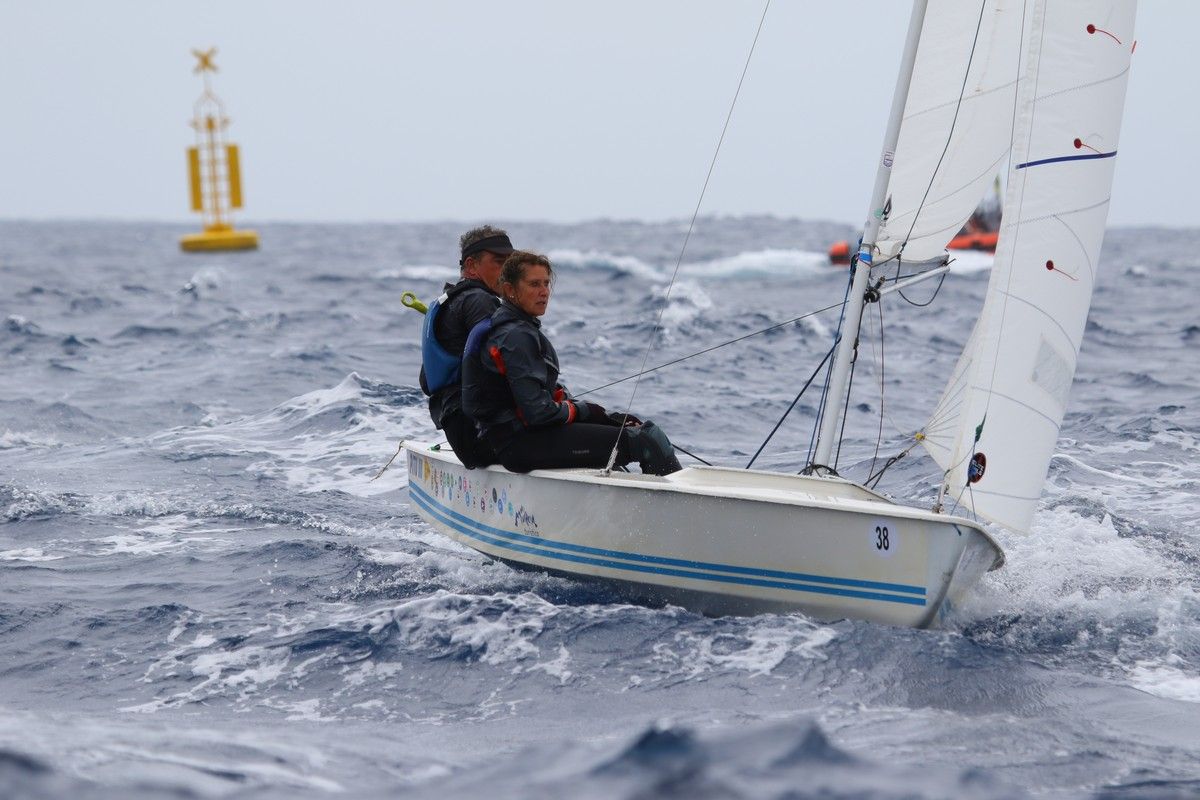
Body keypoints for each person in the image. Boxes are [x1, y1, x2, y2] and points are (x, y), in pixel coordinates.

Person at [462, 251, 682, 475]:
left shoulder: (514, 327)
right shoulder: (515, 335)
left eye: (546, 284)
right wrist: (583, 410)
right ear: (510, 290)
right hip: (522, 445)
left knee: (620, 433)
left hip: (517, 439)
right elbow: (537, 413)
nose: (544, 292)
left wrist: (602, 417)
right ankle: (678, 507)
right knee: (648, 440)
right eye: (534, 284)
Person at [418, 225, 512, 468]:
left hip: (459, 429)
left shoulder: (451, 300)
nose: (509, 271)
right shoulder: (479, 301)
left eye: (511, 262)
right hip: (479, 435)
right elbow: (506, 368)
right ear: (471, 265)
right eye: (499, 262)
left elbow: (426, 382)